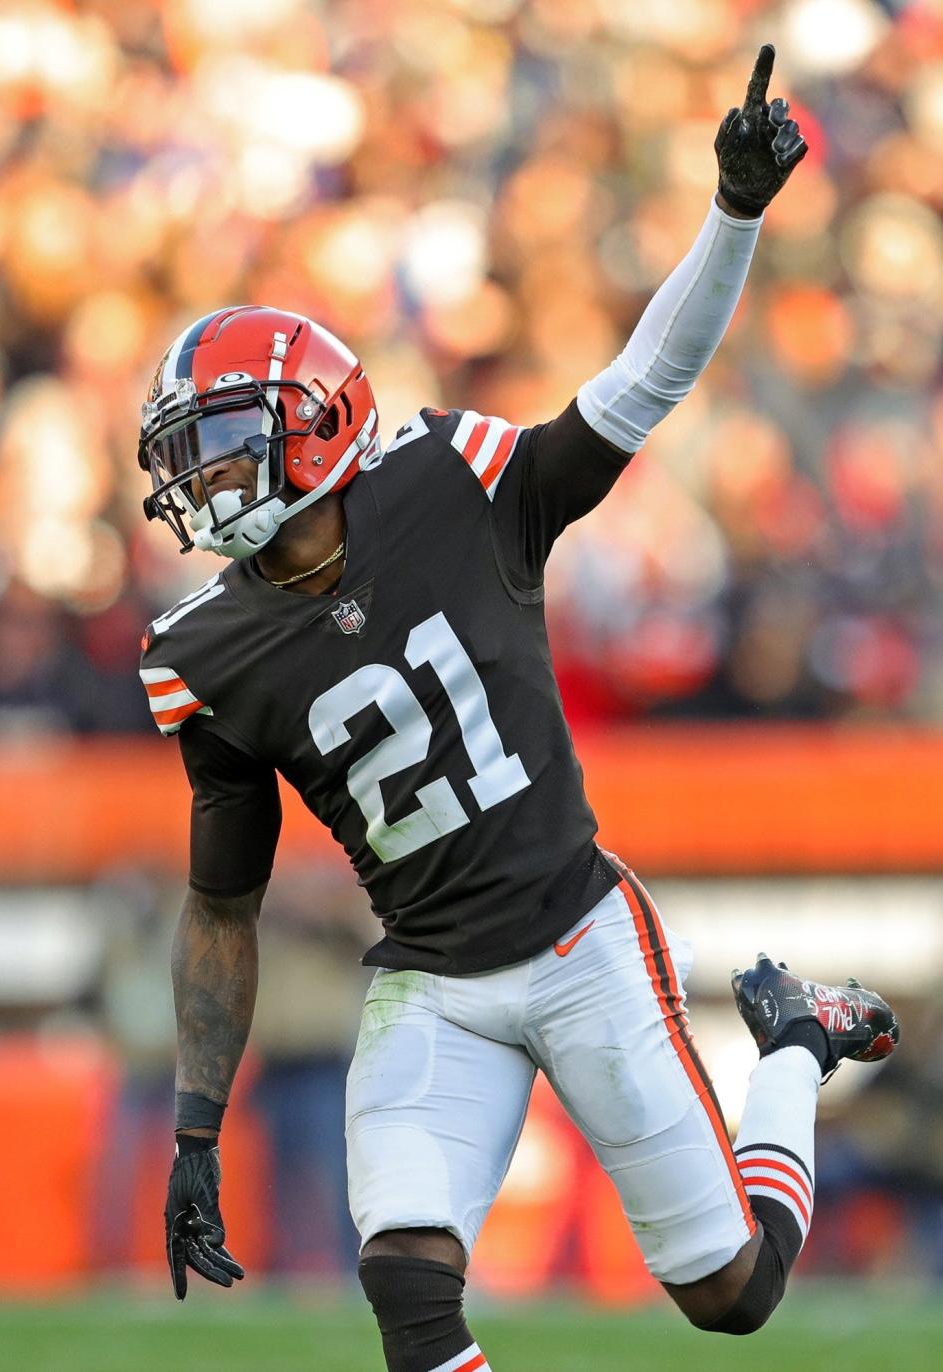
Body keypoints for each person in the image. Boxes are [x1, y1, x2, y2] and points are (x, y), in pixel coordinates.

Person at [140, 46, 898, 1370]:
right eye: (187, 449)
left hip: (578, 941)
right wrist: (197, 1121)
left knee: (734, 1295)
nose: (199, 476)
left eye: (222, 440)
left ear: (312, 429)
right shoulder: (204, 653)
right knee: (406, 1284)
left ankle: (793, 1046)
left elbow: (642, 387)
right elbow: (222, 903)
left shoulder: (458, 481)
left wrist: (732, 214)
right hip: (428, 978)